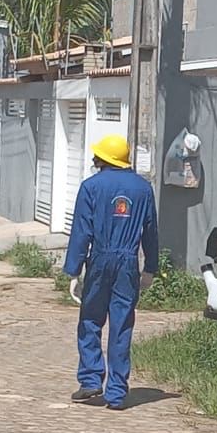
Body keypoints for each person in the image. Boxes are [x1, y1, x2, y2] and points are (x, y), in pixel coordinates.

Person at [63, 134, 159, 411]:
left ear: (102, 159)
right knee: (122, 325)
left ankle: (92, 378)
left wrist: (74, 270)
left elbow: (82, 231)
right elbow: (150, 231)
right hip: (128, 263)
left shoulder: (90, 187)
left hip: (101, 259)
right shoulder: (143, 189)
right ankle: (116, 393)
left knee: (91, 319)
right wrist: (150, 267)